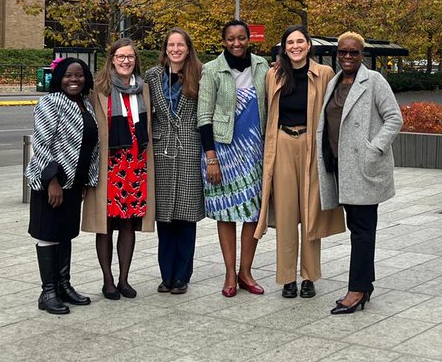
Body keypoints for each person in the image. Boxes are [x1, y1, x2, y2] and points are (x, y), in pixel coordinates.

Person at [317, 32, 402, 314]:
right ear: (337, 54)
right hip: (340, 168)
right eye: (343, 52)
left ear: (362, 54)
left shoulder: (374, 81)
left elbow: (394, 117)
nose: (348, 57)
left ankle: (356, 290)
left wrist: (373, 148)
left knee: (363, 231)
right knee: (358, 228)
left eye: (354, 53)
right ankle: (365, 284)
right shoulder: (334, 82)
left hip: (363, 168)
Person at [257, 25, 343, 299]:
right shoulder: (274, 74)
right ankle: (286, 279)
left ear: (308, 45)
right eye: (290, 42)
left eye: (300, 41)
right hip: (282, 143)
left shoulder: (324, 73)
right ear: (284, 47)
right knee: (285, 214)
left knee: (310, 214)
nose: (295, 46)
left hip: (312, 146)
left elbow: (333, 112)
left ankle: (309, 276)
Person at [197, 20, 270, 297]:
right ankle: (229, 273)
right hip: (223, 151)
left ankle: (246, 272)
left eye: (241, 38)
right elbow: (203, 117)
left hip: (255, 151)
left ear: (249, 39)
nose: (236, 43)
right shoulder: (211, 69)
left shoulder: (262, 66)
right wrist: (211, 158)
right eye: (231, 39)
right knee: (226, 212)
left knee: (253, 213)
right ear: (224, 41)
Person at [25, 57, 97, 315]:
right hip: (51, 183)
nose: (74, 80)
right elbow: (41, 144)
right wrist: (52, 180)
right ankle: (48, 292)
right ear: (59, 78)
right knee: (47, 233)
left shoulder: (86, 104)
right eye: (68, 75)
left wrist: (88, 180)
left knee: (65, 233)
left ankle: (64, 285)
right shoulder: (50, 102)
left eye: (79, 75)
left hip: (75, 182)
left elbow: (91, 145)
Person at [85, 39, 155, 300]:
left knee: (128, 224)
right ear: (112, 59)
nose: (126, 61)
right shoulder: (98, 89)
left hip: (136, 166)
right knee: (106, 225)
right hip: (109, 167)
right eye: (121, 56)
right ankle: (108, 280)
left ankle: (124, 279)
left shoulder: (143, 89)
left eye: (131, 57)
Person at [144, 29, 205, 294]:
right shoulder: (152, 76)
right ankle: (165, 274)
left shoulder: (200, 74)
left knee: (186, 216)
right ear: (165, 48)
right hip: (161, 150)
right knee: (164, 217)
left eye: (180, 44)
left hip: (190, 148)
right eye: (171, 44)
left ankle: (182, 276)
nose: (176, 49)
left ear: (188, 48)